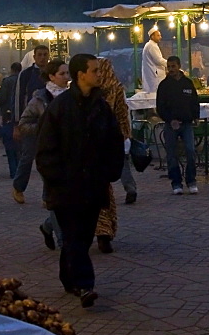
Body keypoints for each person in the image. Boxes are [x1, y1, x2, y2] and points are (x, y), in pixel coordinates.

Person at [36, 53, 124, 308]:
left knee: (82, 238)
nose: (99, 74)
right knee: (74, 235)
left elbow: (114, 141)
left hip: (93, 186)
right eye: (94, 70)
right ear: (80, 75)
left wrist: (110, 172)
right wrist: (58, 178)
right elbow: (45, 150)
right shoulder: (60, 107)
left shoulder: (101, 107)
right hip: (66, 188)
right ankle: (85, 284)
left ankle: (68, 277)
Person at [17, 60, 70, 247]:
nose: (66, 78)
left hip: (70, 154)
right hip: (48, 155)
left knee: (69, 197)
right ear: (52, 76)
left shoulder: (71, 97)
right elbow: (24, 124)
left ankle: (48, 226)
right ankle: (64, 240)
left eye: (67, 73)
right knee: (54, 197)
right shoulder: (40, 99)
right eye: (62, 74)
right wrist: (44, 127)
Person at [93, 58, 133, 252]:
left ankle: (103, 231)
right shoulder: (114, 87)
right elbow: (122, 114)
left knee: (98, 191)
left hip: (98, 147)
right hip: (106, 145)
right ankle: (103, 232)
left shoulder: (90, 89)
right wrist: (125, 137)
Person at [156, 55, 201, 195]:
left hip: (186, 123)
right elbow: (160, 107)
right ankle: (176, 183)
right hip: (171, 125)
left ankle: (191, 180)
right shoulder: (163, 86)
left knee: (190, 151)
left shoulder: (188, 83)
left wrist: (196, 116)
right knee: (171, 154)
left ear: (179, 66)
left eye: (173, 66)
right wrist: (170, 120)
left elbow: (194, 100)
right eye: (168, 67)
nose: (171, 69)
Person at [12, 45, 52, 203]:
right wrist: (16, 123)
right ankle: (18, 187)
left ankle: (47, 196)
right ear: (34, 57)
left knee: (48, 160)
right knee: (27, 157)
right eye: (40, 55)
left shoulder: (52, 74)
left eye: (45, 54)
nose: (43, 57)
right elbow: (18, 98)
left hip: (49, 124)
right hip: (31, 123)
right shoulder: (26, 75)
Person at [96, 58, 138, 206]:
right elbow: (123, 112)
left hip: (102, 133)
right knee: (122, 162)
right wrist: (126, 131)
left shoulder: (95, 89)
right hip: (116, 132)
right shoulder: (117, 87)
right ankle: (130, 188)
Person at [0, 62, 23, 179]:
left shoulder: (7, 81)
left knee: (10, 146)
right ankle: (20, 171)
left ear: (12, 69)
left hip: (9, 117)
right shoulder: (24, 80)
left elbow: (1, 97)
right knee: (20, 147)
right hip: (22, 116)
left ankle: (13, 171)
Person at [141, 26, 168, 93]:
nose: (160, 37)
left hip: (153, 75)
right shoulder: (152, 46)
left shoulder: (150, 45)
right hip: (155, 76)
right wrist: (171, 64)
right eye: (158, 35)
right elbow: (158, 60)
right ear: (152, 36)